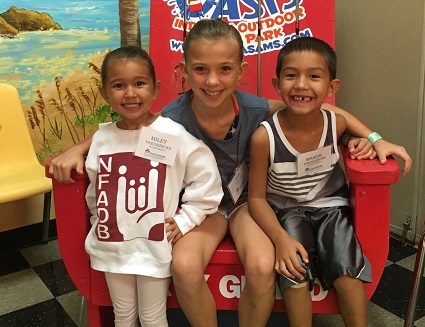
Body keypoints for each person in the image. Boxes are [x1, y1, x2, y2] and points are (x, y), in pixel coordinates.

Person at [49, 19, 412, 327]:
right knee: (186, 265)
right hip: (198, 210)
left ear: (241, 71)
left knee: (260, 263)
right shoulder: (172, 119)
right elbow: (126, 128)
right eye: (201, 69)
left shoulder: (255, 109)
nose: (212, 81)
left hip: (244, 205)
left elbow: (328, 111)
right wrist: (78, 148)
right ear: (184, 71)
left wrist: (375, 138)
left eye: (225, 69)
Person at [84, 45, 223, 327]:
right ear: (105, 93)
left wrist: (186, 220)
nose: (130, 93)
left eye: (139, 83)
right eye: (119, 85)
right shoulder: (102, 138)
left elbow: (207, 180)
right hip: (112, 247)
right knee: (122, 315)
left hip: (153, 247)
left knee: (152, 318)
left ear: (155, 88)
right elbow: (95, 189)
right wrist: (99, 221)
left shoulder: (171, 134)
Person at [248, 36, 374, 327]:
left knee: (346, 268)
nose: (302, 85)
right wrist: (280, 240)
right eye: (291, 75)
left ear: (332, 88)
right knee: (294, 271)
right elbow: (255, 198)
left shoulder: (336, 123)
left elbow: (351, 126)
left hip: (332, 207)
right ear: (277, 85)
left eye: (314, 76)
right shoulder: (263, 137)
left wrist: (373, 141)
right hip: (285, 210)